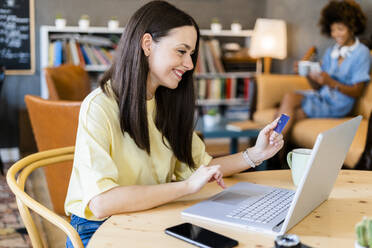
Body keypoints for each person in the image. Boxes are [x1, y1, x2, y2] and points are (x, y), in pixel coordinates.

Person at [64, 1, 283, 247]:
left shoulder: (166, 102)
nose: (190, 64)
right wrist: (186, 186)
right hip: (98, 228)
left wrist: (255, 153)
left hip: (151, 214)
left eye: (191, 54)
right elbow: (102, 203)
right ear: (147, 44)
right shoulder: (99, 107)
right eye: (181, 51)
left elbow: (202, 166)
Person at [277, 0, 370, 136]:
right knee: (287, 113)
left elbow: (358, 91)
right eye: (333, 30)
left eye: (340, 29)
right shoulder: (331, 51)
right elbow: (318, 87)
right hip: (321, 97)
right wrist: (308, 74)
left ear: (352, 27)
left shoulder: (362, 52)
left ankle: (271, 152)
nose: (335, 34)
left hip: (339, 105)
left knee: (286, 105)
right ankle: (276, 153)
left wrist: (331, 83)